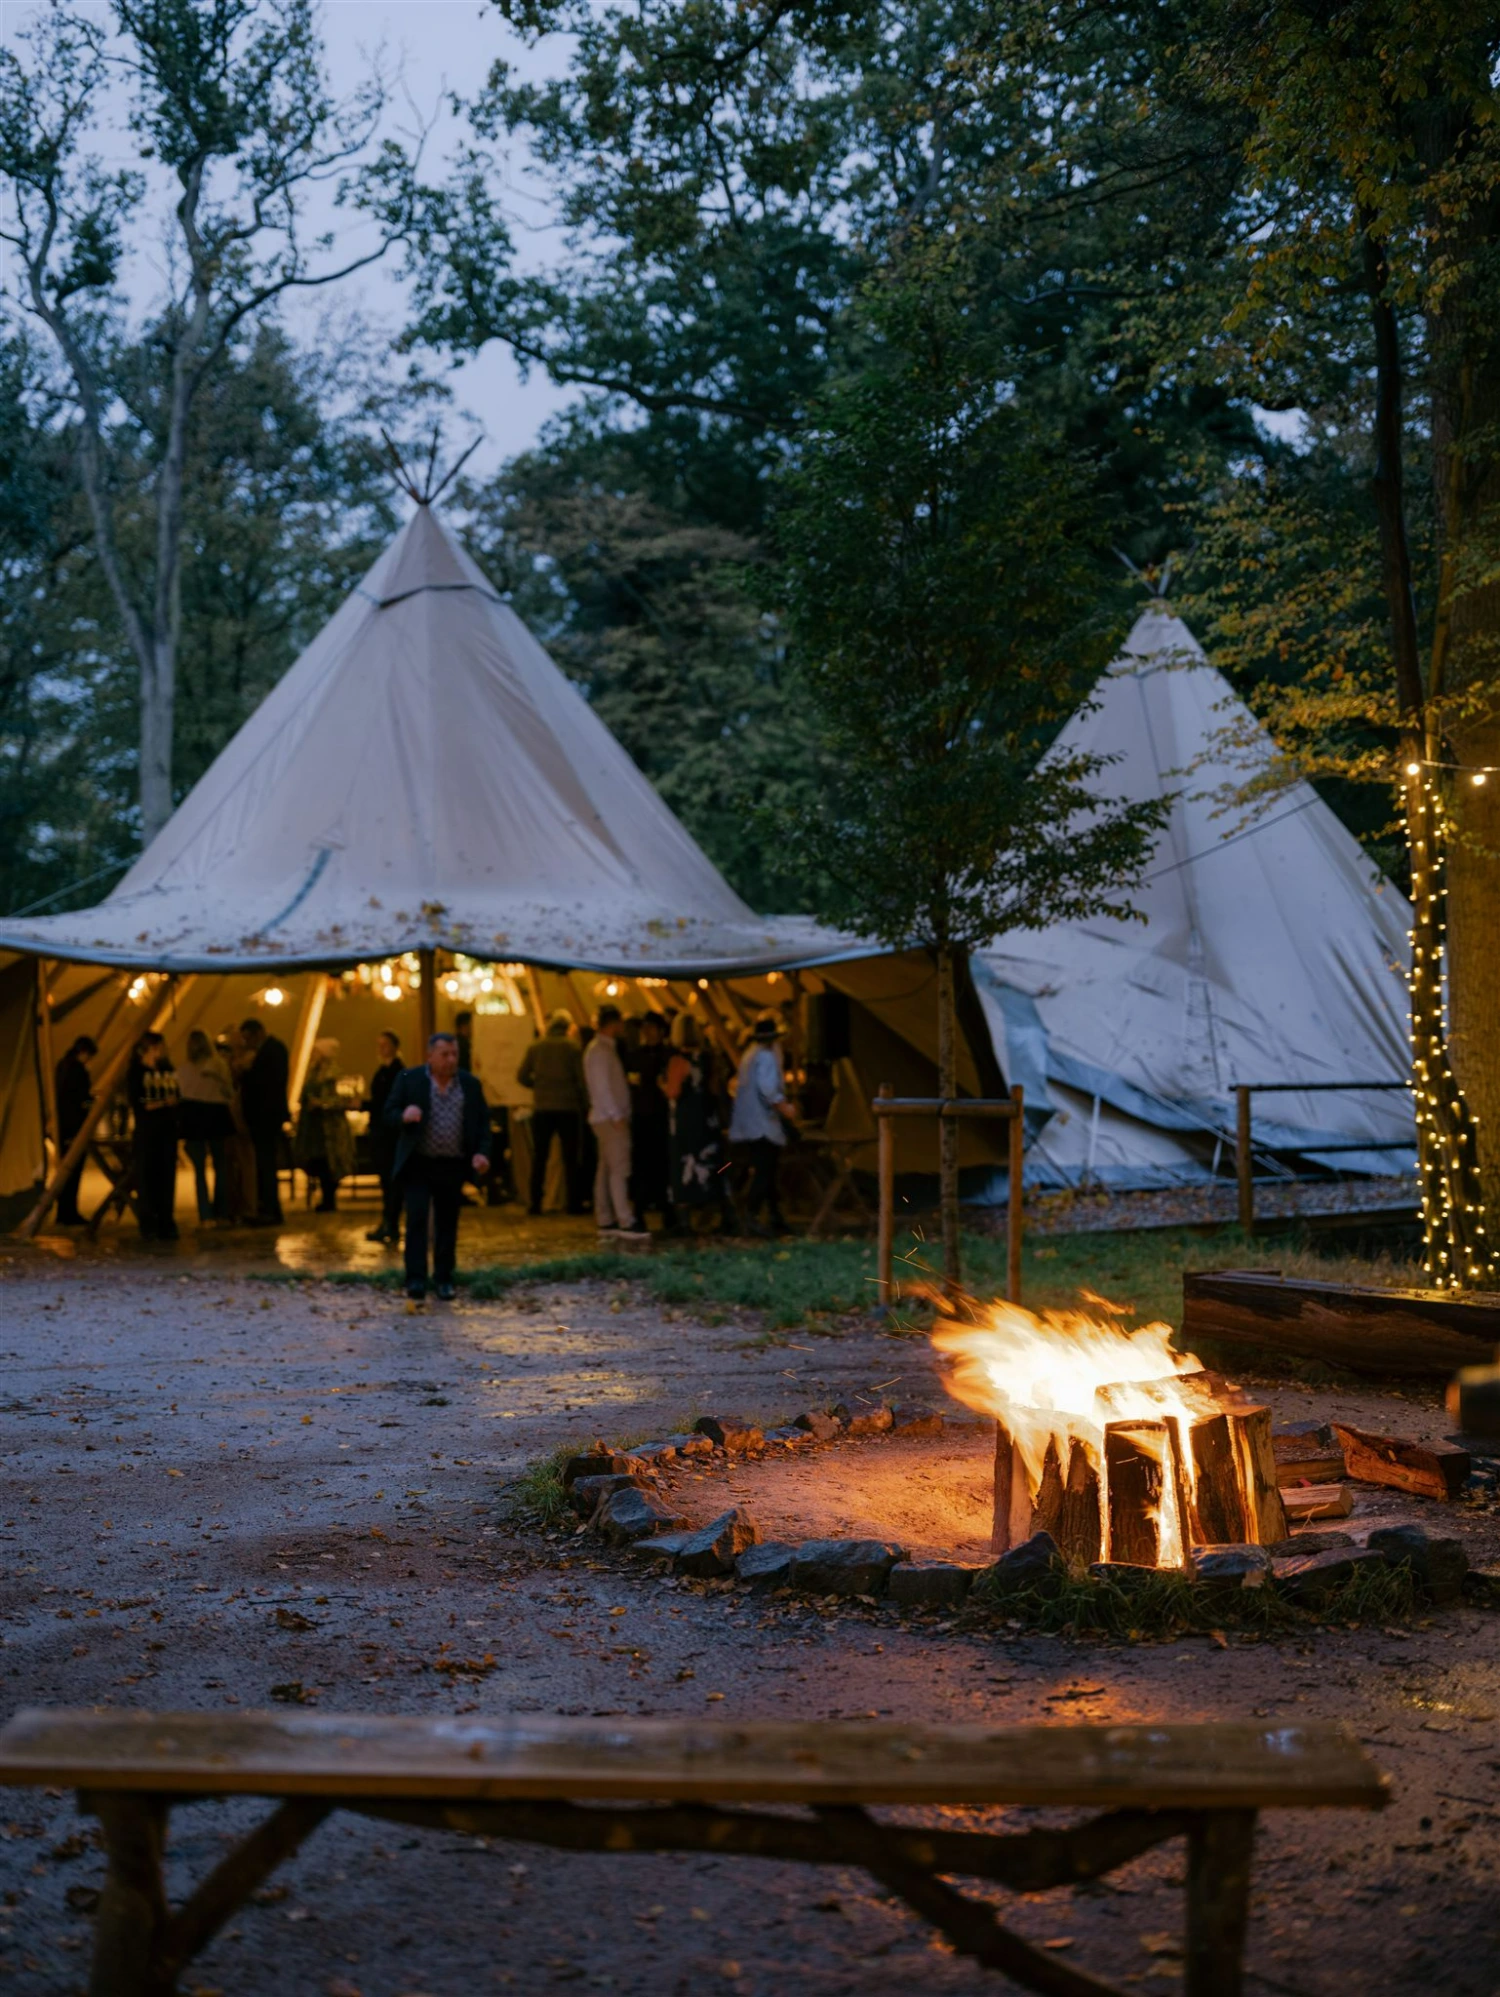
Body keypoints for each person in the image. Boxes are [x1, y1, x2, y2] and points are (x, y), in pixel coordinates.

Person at [384, 1031, 492, 1301]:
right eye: (444, 1054)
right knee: (417, 1219)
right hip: (419, 1162)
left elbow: (482, 1125)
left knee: (447, 1222)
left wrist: (482, 1154)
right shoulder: (409, 1078)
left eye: (454, 1054)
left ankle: (444, 1278)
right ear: (430, 1055)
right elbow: (387, 1113)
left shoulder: (469, 1084)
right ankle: (416, 1280)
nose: (450, 1060)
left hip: (452, 1163)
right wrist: (403, 1116)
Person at [728, 1011, 797, 1235]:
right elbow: (768, 1090)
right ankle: (752, 1214)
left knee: (767, 1171)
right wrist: (784, 1108)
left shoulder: (750, 1054)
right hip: (761, 1124)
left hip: (751, 1123)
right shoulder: (765, 1057)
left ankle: (774, 1215)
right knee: (764, 1172)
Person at [663, 1012, 730, 1230]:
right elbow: (715, 1089)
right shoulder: (709, 1059)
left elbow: (673, 1091)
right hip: (707, 1120)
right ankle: (719, 1210)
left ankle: (685, 1221)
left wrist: (661, 1086)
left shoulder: (678, 1061)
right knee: (714, 1165)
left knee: (683, 1166)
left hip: (686, 1122)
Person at [517, 1010, 588, 1214]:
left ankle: (535, 1203)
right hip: (568, 1107)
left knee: (540, 1157)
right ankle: (574, 1203)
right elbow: (581, 1080)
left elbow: (521, 1075)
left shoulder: (536, 1046)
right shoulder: (572, 1047)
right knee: (571, 1158)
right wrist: (585, 1103)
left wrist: (538, 1086)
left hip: (543, 1108)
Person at [583, 1004, 644, 1237]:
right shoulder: (599, 1051)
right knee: (618, 1167)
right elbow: (602, 1088)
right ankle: (624, 1218)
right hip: (609, 1118)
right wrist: (616, 1115)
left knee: (607, 1167)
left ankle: (606, 1215)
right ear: (614, 1024)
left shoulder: (601, 1050)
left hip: (605, 1116)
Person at [125, 1031, 181, 1240]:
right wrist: (160, 1103)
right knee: (147, 1177)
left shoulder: (166, 1070)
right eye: (157, 1047)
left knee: (166, 1177)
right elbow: (139, 1103)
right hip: (148, 1132)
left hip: (166, 1131)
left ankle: (166, 1220)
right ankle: (149, 1222)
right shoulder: (136, 1073)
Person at [177, 1028, 235, 1224]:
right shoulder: (219, 1065)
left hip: (193, 1116)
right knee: (220, 1167)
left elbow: (180, 1095)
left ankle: (206, 1214)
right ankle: (222, 1211)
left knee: (200, 1171)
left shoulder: (183, 1070)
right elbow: (229, 1093)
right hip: (216, 1114)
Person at [238, 1017, 290, 1225]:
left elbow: (266, 1084)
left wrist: (246, 1074)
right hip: (266, 1116)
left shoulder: (271, 1052)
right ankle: (267, 1207)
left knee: (266, 1163)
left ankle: (269, 1209)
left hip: (265, 1117)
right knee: (265, 1163)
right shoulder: (274, 1050)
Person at [295, 1038, 355, 1211]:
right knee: (319, 1163)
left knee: (329, 1164)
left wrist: (321, 1104)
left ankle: (329, 1198)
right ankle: (326, 1197)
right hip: (315, 1129)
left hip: (329, 1129)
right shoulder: (314, 1073)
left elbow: (342, 1100)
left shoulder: (333, 1074)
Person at [629, 1012, 673, 1225]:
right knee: (642, 1163)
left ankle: (665, 1206)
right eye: (644, 1027)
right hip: (642, 1116)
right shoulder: (636, 1055)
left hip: (661, 1115)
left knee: (663, 1162)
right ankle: (640, 1207)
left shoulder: (667, 1055)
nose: (646, 1031)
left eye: (650, 1027)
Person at [52, 1035, 97, 1225]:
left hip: (64, 1126)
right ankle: (68, 1213)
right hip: (74, 1127)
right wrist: (91, 1103)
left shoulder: (62, 1066)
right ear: (84, 1053)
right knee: (72, 1172)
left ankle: (65, 1212)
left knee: (66, 1171)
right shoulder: (76, 1070)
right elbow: (80, 1099)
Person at [365, 1031, 405, 1244]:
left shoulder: (397, 1072)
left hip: (389, 1133)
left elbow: (384, 1101)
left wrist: (364, 1105)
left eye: (385, 1044)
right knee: (388, 1180)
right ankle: (390, 1222)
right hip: (383, 1131)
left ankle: (390, 1221)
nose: (381, 1048)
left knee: (392, 1181)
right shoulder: (384, 1070)